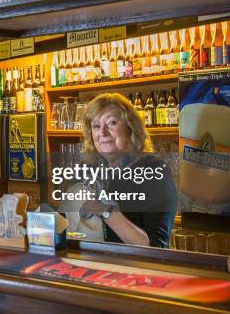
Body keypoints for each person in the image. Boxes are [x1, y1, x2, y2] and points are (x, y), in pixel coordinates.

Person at [69, 93, 178, 248]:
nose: (103, 133)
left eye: (112, 123)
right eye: (96, 126)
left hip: (135, 268)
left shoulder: (153, 170)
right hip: (92, 265)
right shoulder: (91, 169)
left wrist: (107, 212)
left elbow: (155, 247)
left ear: (130, 128)